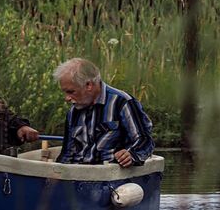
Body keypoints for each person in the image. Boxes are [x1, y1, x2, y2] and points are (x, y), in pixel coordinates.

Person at [16, 58, 153, 167]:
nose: (67, 98)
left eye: (70, 92)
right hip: (78, 178)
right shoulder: (73, 111)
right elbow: (67, 154)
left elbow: (144, 140)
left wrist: (131, 154)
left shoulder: (122, 103)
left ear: (89, 85)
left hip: (109, 176)